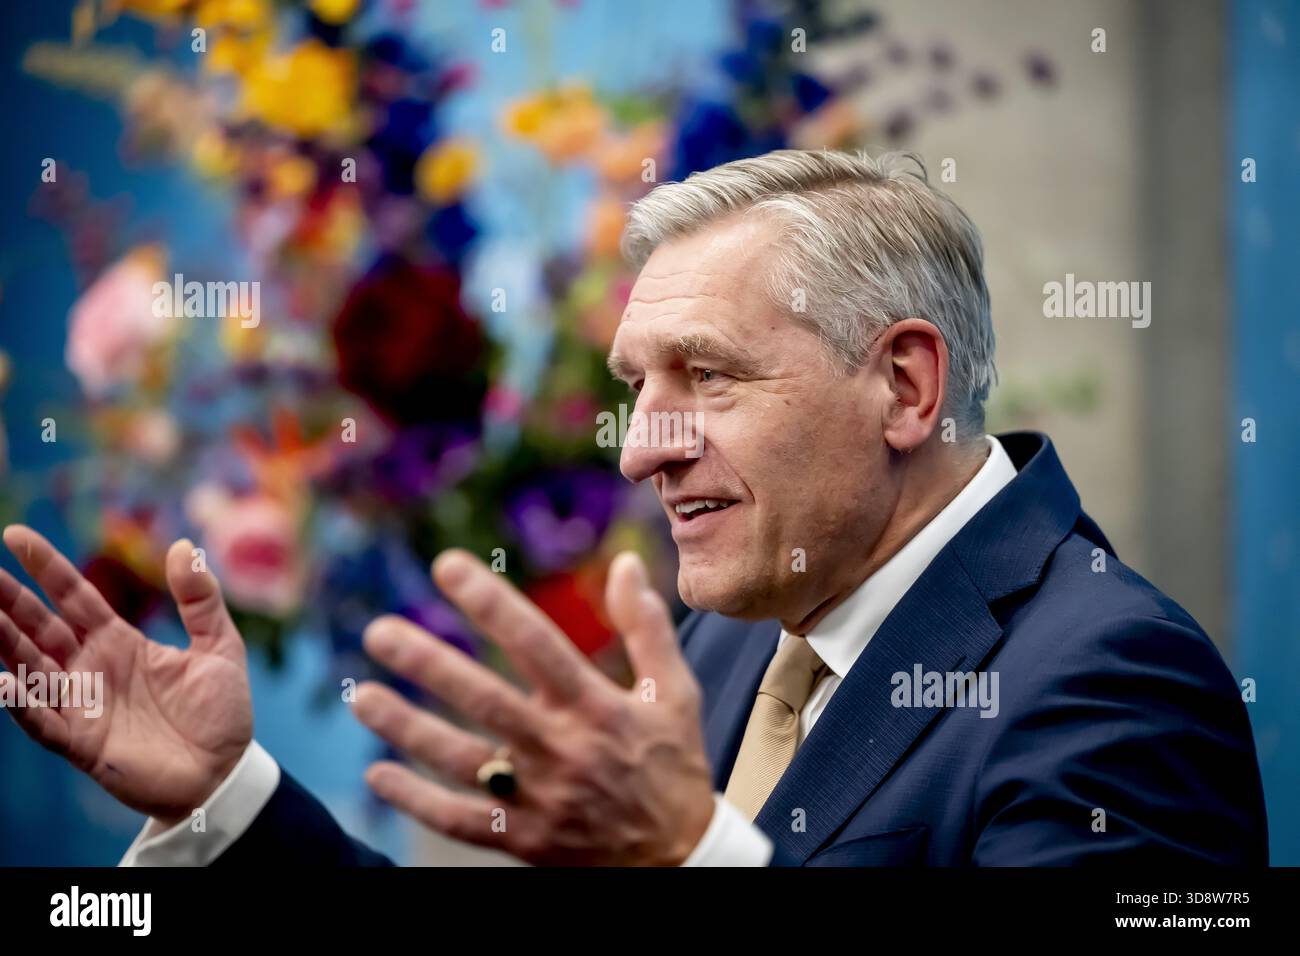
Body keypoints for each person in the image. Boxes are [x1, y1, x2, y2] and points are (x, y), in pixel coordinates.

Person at [0, 149, 1267, 866]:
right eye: (634, 385)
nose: (640, 450)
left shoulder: (1118, 681)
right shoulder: (724, 636)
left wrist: (693, 854)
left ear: (902, 382)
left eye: (705, 374)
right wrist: (223, 799)